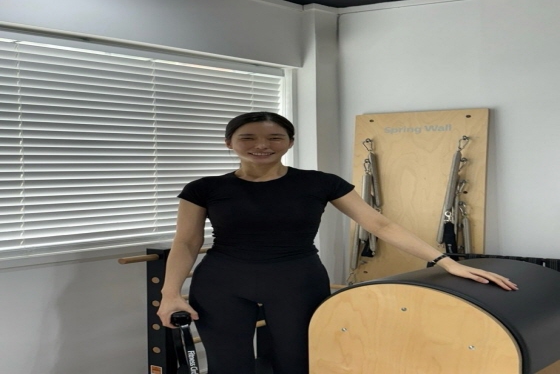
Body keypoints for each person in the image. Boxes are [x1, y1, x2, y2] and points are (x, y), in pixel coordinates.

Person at [157, 111, 517, 374]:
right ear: (229, 143)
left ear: (290, 142)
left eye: (275, 138)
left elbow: (379, 223)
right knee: (228, 366)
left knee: (299, 363)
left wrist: (446, 262)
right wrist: (171, 294)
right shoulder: (205, 188)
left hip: (296, 280)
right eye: (248, 138)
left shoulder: (320, 183)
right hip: (222, 283)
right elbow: (186, 242)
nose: (262, 145)